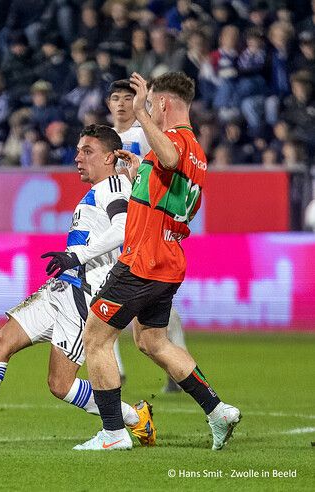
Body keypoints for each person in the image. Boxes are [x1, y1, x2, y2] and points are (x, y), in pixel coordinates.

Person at [0, 125, 155, 446]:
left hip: (84, 295)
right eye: (78, 150)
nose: (78, 158)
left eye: (88, 151)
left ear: (111, 157)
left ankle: (131, 417)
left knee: (60, 384)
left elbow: (124, 228)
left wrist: (78, 255)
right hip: (61, 288)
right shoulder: (99, 188)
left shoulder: (114, 185)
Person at [75, 72, 241, 451]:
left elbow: (168, 155)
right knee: (152, 341)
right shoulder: (197, 151)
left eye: (150, 104)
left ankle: (114, 433)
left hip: (142, 261)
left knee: (96, 338)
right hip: (167, 260)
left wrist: (140, 114)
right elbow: (172, 196)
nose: (144, 110)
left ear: (163, 104)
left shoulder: (175, 142)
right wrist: (139, 173)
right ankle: (217, 411)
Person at [106, 78, 189, 393]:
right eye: (116, 98)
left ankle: (175, 366)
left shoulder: (145, 134)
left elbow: (169, 166)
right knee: (101, 295)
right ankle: (115, 369)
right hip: (115, 227)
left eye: (128, 97)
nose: (122, 103)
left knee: (157, 303)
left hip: (146, 227)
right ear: (109, 104)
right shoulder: (103, 137)